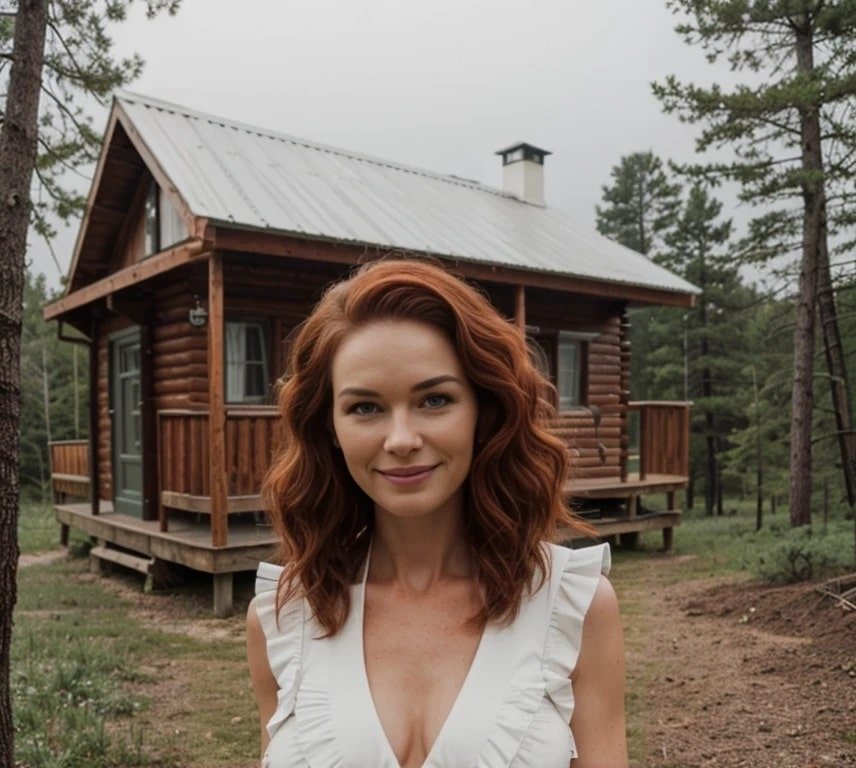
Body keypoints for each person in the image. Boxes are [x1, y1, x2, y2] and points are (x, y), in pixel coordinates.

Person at [246, 259, 628, 768]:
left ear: (484, 411)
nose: (402, 439)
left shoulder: (574, 607)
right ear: (329, 429)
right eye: (365, 407)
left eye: (434, 399)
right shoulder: (283, 617)